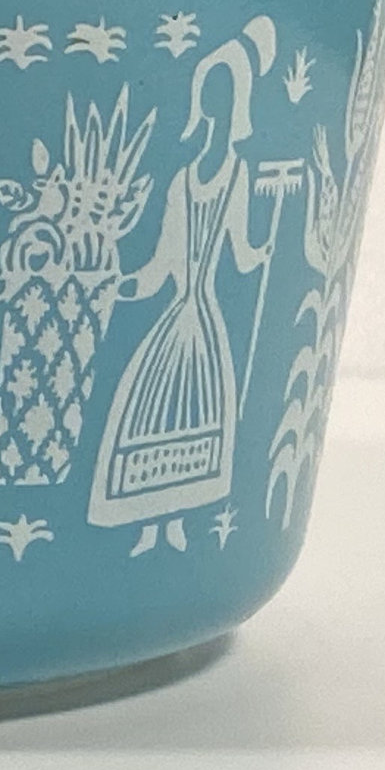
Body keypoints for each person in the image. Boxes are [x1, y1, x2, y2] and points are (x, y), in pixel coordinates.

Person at [87, 32, 272, 548]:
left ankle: (173, 522)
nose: (216, 103)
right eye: (210, 92)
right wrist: (122, 285)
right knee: (154, 409)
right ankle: (150, 524)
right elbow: (162, 264)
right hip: (180, 312)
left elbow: (239, 252)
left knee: (193, 411)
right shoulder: (184, 180)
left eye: (223, 93)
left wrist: (264, 251)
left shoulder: (236, 176)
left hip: (203, 313)